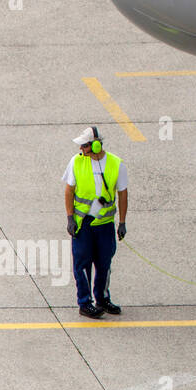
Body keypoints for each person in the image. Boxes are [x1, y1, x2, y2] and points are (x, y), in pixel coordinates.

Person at [63, 126, 128, 319]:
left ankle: (102, 298)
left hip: (104, 225)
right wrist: (69, 218)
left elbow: (123, 195)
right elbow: (69, 191)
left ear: (96, 145)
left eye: (84, 145)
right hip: (83, 225)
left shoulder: (117, 164)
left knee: (104, 263)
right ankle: (85, 303)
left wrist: (122, 222)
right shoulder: (76, 162)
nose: (81, 149)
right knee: (82, 264)